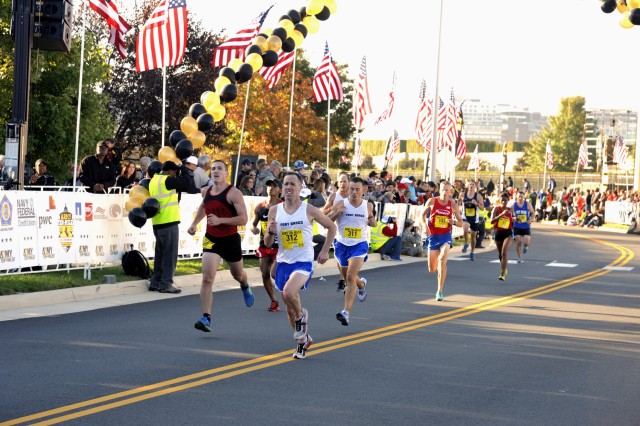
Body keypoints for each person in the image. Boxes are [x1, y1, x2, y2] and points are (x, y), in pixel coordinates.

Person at [263, 172, 336, 359]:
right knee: (288, 308)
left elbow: (331, 227)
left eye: (292, 184)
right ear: (281, 188)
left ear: (299, 187)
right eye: (286, 184)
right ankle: (302, 341)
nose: (288, 187)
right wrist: (270, 233)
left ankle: (302, 315)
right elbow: (269, 243)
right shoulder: (274, 211)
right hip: (283, 261)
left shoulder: (308, 210)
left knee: (288, 293)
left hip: (303, 261)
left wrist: (325, 250)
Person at [188, 160, 255, 333]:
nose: (216, 171)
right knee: (207, 278)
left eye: (220, 169)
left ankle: (245, 286)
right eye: (214, 169)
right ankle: (206, 317)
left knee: (238, 274)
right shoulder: (206, 191)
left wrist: (220, 220)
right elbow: (204, 206)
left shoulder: (234, 193)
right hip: (211, 238)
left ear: (226, 173)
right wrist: (194, 223)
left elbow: (243, 219)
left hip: (230, 239)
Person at [327, 176, 376, 326]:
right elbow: (327, 221)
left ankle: (346, 312)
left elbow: (373, 222)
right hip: (342, 244)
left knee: (349, 277)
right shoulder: (341, 203)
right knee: (349, 277)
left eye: (357, 189)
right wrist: (336, 213)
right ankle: (361, 285)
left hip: (359, 245)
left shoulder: (368, 206)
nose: (354, 192)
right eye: (351, 189)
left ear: (363, 190)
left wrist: (372, 220)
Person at [148, 160, 193, 293]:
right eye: (174, 173)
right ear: (169, 171)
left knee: (160, 255)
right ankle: (166, 284)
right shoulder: (166, 180)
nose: (175, 175)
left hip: (157, 222)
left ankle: (155, 282)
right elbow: (186, 184)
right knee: (169, 256)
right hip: (169, 222)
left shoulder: (153, 180)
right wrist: (183, 169)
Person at [421, 181, 463, 301]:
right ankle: (441, 267)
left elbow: (460, 223)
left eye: (447, 190)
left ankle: (440, 291)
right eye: (443, 190)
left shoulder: (453, 204)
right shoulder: (432, 201)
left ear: (450, 192)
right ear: (439, 190)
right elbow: (422, 216)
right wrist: (425, 226)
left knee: (443, 258)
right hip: (433, 236)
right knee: (432, 269)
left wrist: (453, 222)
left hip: (445, 236)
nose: (445, 192)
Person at [251, 178, 283, 312]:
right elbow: (253, 224)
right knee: (264, 273)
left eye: (274, 186)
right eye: (269, 186)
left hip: (279, 245)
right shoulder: (260, 206)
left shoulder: (283, 206)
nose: (271, 188)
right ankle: (274, 301)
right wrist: (254, 229)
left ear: (279, 190)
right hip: (265, 244)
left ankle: (289, 293)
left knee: (275, 274)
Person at [323, 171, 350, 291]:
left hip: (352, 230)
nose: (343, 184)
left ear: (349, 182)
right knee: (340, 258)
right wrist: (334, 208)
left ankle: (344, 279)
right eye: (340, 182)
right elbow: (324, 212)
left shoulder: (353, 195)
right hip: (338, 231)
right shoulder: (334, 196)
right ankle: (343, 278)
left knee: (350, 258)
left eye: (345, 181)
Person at [491, 193, 515, 281]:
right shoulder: (496, 209)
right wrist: (501, 215)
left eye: (505, 200)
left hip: (508, 233)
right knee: (500, 254)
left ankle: (502, 273)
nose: (503, 201)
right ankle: (504, 268)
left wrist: (516, 219)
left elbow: (512, 220)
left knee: (504, 252)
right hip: (498, 233)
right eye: (502, 200)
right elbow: (491, 221)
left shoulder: (510, 210)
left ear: (508, 201)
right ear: (499, 200)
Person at [459, 179, 484, 261]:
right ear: (467, 186)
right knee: (465, 229)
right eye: (470, 184)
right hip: (465, 216)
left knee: (473, 237)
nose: (471, 186)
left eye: (473, 184)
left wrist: (476, 203)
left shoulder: (478, 196)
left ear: (475, 186)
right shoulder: (462, 194)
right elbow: (458, 204)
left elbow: (482, 208)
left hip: (474, 218)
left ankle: (472, 252)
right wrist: (459, 207)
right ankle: (466, 243)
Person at [512, 191, 535, 263]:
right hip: (517, 225)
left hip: (526, 226)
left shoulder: (528, 204)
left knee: (526, 242)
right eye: (519, 196)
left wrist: (530, 219)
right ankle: (519, 258)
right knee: (518, 242)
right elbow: (510, 215)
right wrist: (514, 218)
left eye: (522, 197)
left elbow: (533, 213)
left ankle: (526, 246)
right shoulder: (514, 205)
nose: (520, 198)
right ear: (516, 197)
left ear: (524, 197)